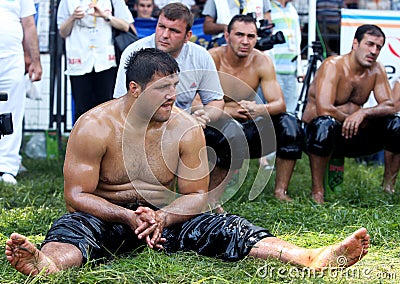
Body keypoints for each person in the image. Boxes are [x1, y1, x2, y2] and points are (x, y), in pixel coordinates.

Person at [5, 48, 370, 276]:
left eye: (175, 86)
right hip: (105, 216)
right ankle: (47, 264)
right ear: (135, 90)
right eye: (163, 89)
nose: (173, 96)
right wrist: (127, 215)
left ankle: (309, 257)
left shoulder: (182, 126)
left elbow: (197, 194)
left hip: (162, 219)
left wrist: (163, 216)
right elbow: (77, 195)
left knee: (228, 226)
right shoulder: (94, 126)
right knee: (72, 228)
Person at [207, 14, 304, 204]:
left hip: (248, 127)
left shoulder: (262, 61)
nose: (245, 41)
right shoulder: (212, 58)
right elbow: (196, 106)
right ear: (227, 36)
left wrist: (259, 109)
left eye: (251, 36)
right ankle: (211, 197)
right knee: (227, 128)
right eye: (239, 35)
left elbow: (279, 104)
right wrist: (231, 111)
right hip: (215, 127)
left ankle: (281, 191)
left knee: (290, 124)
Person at [302, 24, 400, 203]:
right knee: (325, 122)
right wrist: (351, 118)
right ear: (355, 43)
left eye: (378, 47)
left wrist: (363, 113)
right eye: (369, 44)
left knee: (396, 124)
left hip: (353, 134)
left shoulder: (376, 70)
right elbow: (324, 108)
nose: (374, 51)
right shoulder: (332, 65)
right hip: (319, 136)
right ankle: (317, 192)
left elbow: (390, 105)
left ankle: (388, 187)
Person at [114, 2, 224, 129]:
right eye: (161, 26)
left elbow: (215, 100)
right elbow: (120, 102)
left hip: (184, 131)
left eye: (174, 30)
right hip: (142, 128)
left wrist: (205, 116)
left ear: (187, 36)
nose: (165, 35)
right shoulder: (134, 52)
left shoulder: (201, 56)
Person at [57, 0, 134, 124]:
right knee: (82, 111)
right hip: (79, 61)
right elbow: (62, 31)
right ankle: (82, 142)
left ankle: (106, 142)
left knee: (107, 109)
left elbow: (126, 25)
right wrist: (72, 17)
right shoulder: (68, 2)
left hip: (106, 61)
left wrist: (106, 16)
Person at [0, 0, 42, 185]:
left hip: (11, 56)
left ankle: (7, 167)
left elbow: (29, 23)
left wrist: (35, 60)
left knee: (13, 110)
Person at [270, 0, 303, 113]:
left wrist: (299, 69)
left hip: (292, 70)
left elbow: (298, 40)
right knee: (274, 110)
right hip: (274, 70)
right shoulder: (268, 7)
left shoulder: (292, 10)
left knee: (290, 112)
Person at [202, 0, 272, 48]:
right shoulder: (215, 1)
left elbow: (269, 26)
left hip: (257, 49)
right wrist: (226, 28)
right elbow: (207, 27)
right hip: (227, 50)